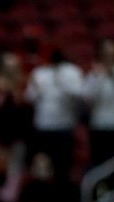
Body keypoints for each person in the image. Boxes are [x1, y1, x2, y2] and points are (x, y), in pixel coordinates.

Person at [26, 50, 84, 178]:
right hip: (44, 125)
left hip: (65, 125)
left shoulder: (72, 72)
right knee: (44, 164)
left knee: (63, 166)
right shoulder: (39, 73)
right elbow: (29, 97)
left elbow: (80, 95)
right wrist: (38, 90)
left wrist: (63, 83)